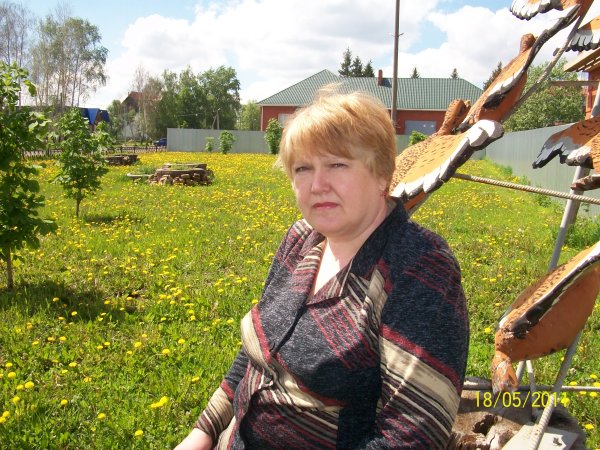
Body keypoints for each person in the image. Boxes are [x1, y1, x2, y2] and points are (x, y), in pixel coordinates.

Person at [175, 87, 469, 449]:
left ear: (382, 174)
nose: (317, 185)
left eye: (337, 164)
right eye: (303, 168)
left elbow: (414, 434)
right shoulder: (302, 240)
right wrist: (202, 432)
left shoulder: (418, 266)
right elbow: (261, 353)